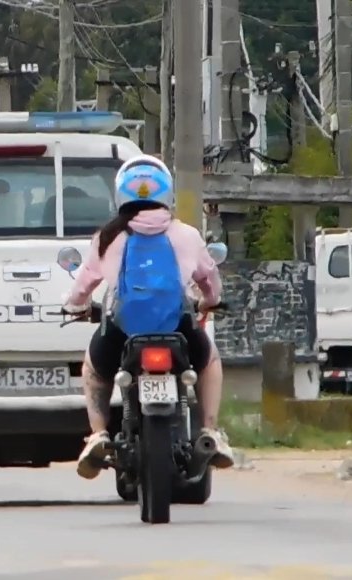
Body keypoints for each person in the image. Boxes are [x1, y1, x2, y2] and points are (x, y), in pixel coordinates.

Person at [62, 154, 234, 481]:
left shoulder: (108, 236)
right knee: (209, 361)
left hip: (122, 330)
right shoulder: (187, 235)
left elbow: (82, 286)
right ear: (166, 193)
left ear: (120, 195)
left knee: (95, 370)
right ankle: (210, 431)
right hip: (178, 327)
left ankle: (98, 434)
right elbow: (209, 281)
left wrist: (73, 306)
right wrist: (210, 302)